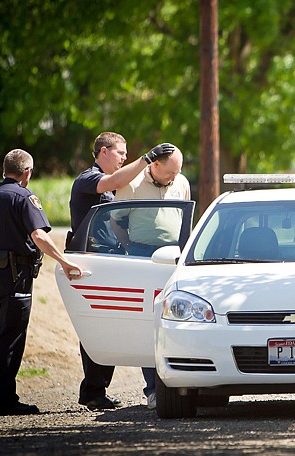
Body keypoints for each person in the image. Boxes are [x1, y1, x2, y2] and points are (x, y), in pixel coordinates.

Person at [69, 132, 174, 410]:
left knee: (111, 324)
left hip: (110, 259)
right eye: (120, 153)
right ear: (103, 152)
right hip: (91, 260)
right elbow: (115, 181)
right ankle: (93, 390)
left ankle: (95, 390)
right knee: (98, 323)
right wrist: (147, 159)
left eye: (127, 154)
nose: (125, 157)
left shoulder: (109, 183)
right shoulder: (88, 179)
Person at [0, 149, 83, 416]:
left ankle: (2, 394)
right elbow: (38, 235)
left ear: (5, 170)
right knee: (11, 338)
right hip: (16, 277)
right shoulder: (25, 197)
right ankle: (2, 400)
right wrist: (64, 261)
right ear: (27, 172)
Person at [110, 145, 190, 410]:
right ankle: (153, 389)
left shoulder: (181, 182)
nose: (173, 178)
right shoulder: (131, 184)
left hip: (177, 258)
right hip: (143, 256)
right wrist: (132, 249)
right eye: (169, 172)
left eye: (177, 173)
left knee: (179, 319)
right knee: (149, 324)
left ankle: (185, 383)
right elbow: (116, 222)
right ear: (155, 165)